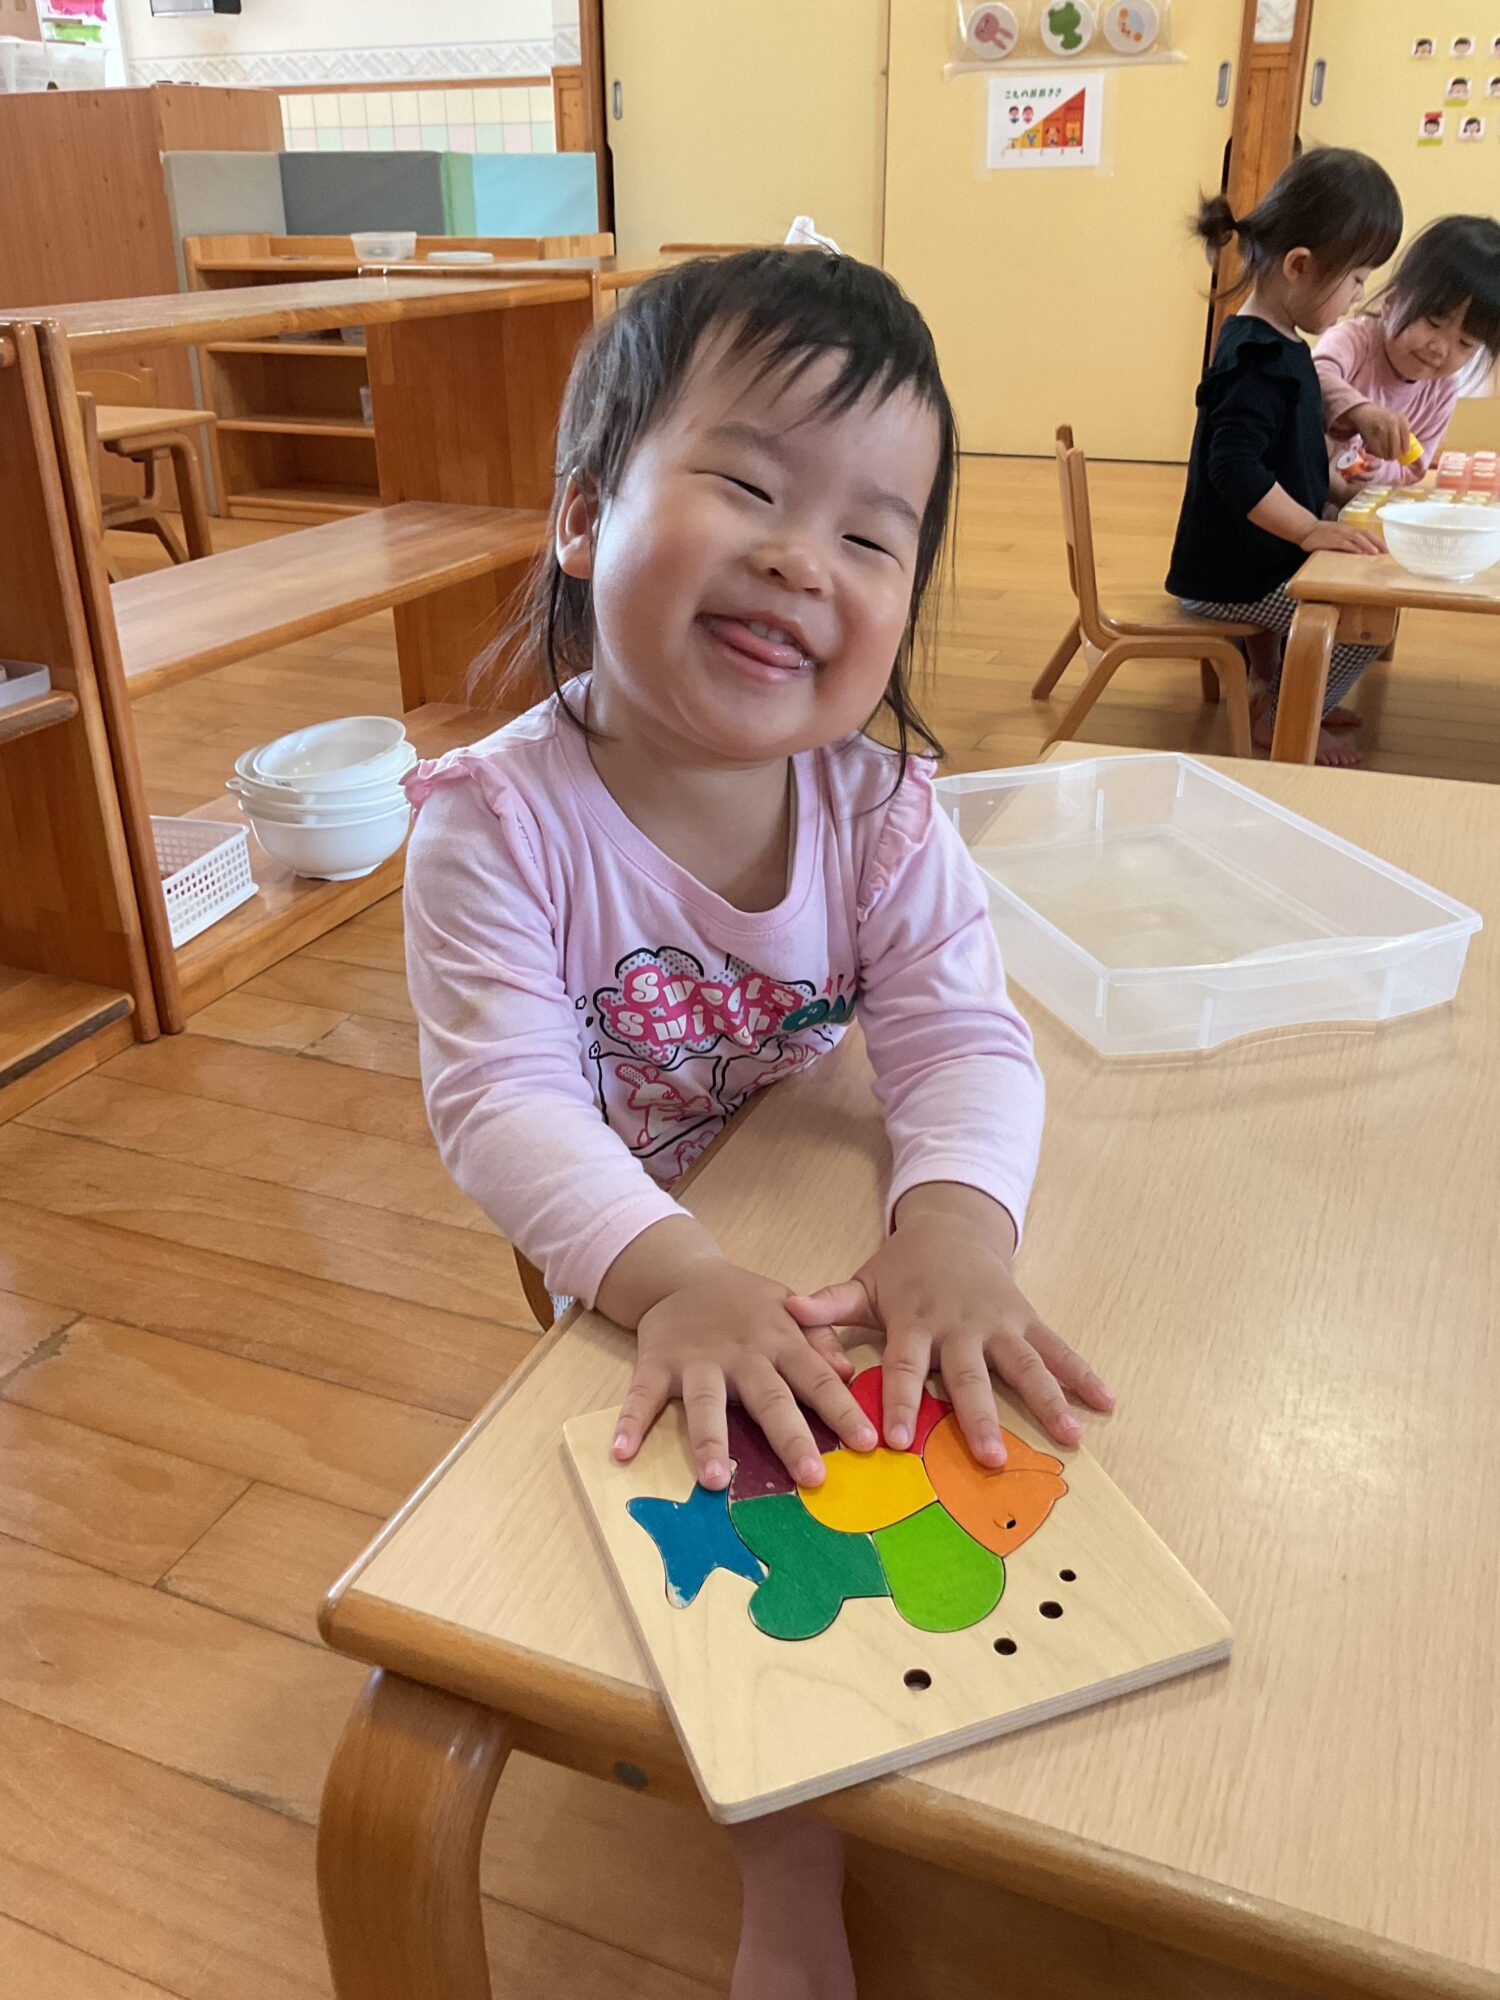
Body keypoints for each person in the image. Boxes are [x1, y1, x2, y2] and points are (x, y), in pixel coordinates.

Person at [402, 247, 1113, 1999]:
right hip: (627, 1250)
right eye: (748, 486)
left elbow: (962, 1030)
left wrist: (956, 1221)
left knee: (987, 1443)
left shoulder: (881, 812)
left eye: (873, 534)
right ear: (585, 515)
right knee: (742, 1533)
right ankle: (790, 1873)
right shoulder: (496, 826)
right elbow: (501, 1099)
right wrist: (673, 1277)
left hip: (810, 1213)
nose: (806, 557)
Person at [1166, 148, 1403, 765]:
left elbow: (1281, 453)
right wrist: (1309, 529)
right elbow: (1235, 468)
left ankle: (1292, 693)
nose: (1358, 297)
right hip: (1229, 578)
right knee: (1359, 629)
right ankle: (1286, 718)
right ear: (1299, 265)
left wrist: (1334, 488)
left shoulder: (1281, 344)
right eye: (1356, 280)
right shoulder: (1256, 359)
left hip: (1251, 563)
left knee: (1355, 600)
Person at [1316, 216, 1500, 494]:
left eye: (1465, 343)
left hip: (1359, 507)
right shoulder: (1355, 341)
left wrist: (1378, 468)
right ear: (1391, 300)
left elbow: (1413, 469)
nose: (1440, 348)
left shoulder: (1442, 390)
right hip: (1303, 495)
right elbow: (1315, 375)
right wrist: (1361, 412)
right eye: (1433, 323)